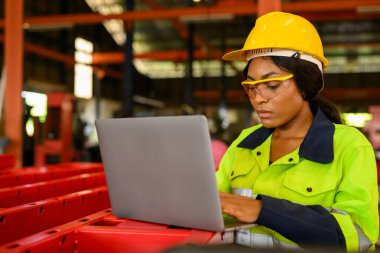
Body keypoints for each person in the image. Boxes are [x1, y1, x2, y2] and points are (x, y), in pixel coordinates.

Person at [216, 11, 378, 252]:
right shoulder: (244, 143)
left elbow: (358, 237)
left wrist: (262, 210)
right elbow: (212, 204)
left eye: (271, 85)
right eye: (251, 87)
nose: (258, 99)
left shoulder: (348, 146)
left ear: (306, 82)